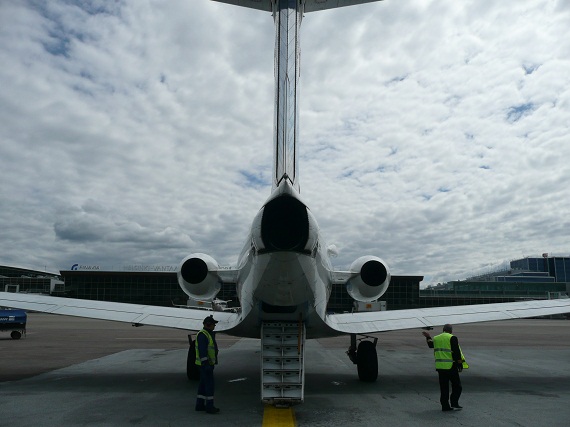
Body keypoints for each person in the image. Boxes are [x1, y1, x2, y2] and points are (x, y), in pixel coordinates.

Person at [422, 324, 468, 412]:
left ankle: (445, 406)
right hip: (451, 366)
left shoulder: (436, 338)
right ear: (451, 331)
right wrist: (460, 364)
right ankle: (454, 403)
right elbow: (456, 352)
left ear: (443, 330)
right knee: (457, 386)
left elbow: (430, 345)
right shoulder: (452, 337)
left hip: (440, 367)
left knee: (444, 387)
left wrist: (428, 337)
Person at [195, 315, 220, 414]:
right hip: (205, 365)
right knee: (209, 385)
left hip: (204, 364)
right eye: (213, 324)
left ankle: (199, 405)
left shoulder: (207, 333)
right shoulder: (203, 335)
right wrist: (206, 364)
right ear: (208, 325)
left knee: (202, 385)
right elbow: (202, 351)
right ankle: (209, 407)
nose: (214, 326)